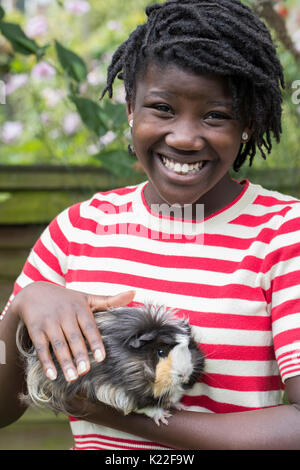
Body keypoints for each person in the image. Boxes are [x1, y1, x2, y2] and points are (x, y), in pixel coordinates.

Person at [1, 0, 300, 450]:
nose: (183, 137)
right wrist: (24, 308)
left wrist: (118, 415)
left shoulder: (284, 234)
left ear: (249, 124)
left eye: (215, 115)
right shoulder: (78, 229)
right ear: (130, 110)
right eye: (162, 108)